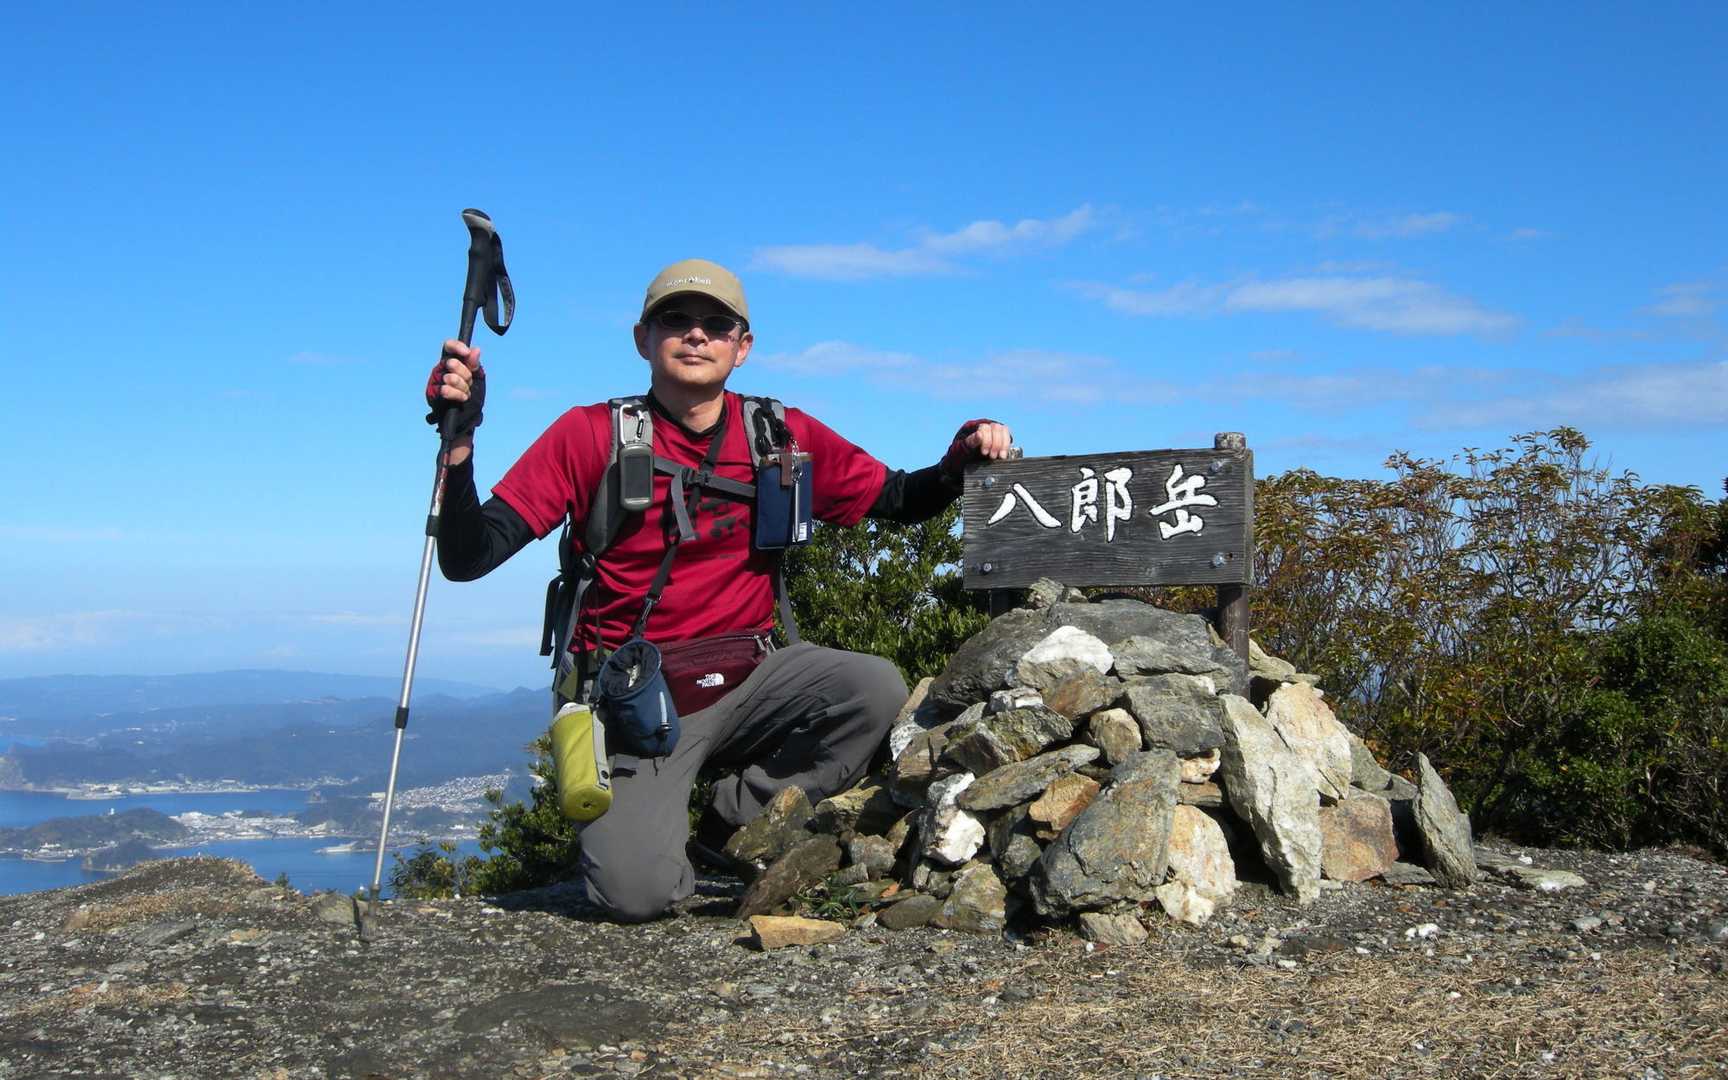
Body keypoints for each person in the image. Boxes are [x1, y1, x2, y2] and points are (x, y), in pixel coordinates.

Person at [426, 258, 1012, 921]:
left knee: (871, 687)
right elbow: (470, 556)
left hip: (750, 679)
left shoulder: (778, 434)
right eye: (675, 320)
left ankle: (731, 822)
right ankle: (661, 836)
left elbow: (897, 498)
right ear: (643, 339)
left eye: (717, 324)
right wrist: (460, 440)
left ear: (743, 346)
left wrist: (960, 462)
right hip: (634, 702)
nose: (697, 334)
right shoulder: (588, 435)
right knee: (637, 893)